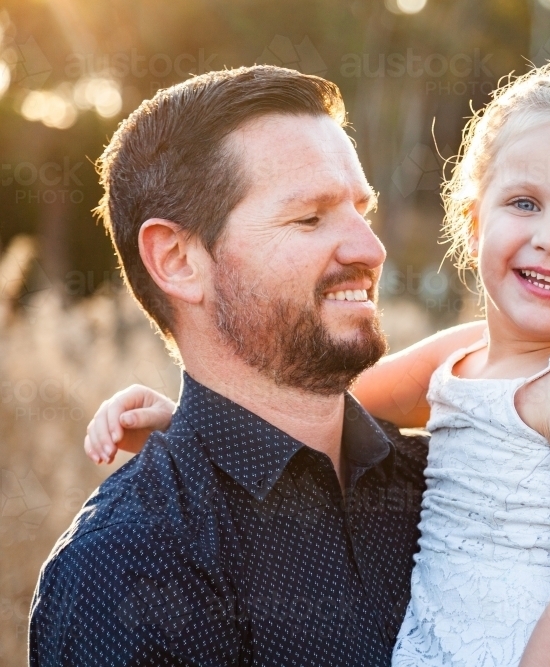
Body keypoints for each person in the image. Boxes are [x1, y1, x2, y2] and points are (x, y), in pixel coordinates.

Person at [81, 59, 550, 666]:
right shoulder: (460, 356)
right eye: (524, 203)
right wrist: (188, 427)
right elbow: (324, 410)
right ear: (473, 222)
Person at [29, 65, 487, 667]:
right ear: (177, 260)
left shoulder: (454, 483)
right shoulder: (123, 569)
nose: (370, 251)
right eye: (310, 217)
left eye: (360, 211)